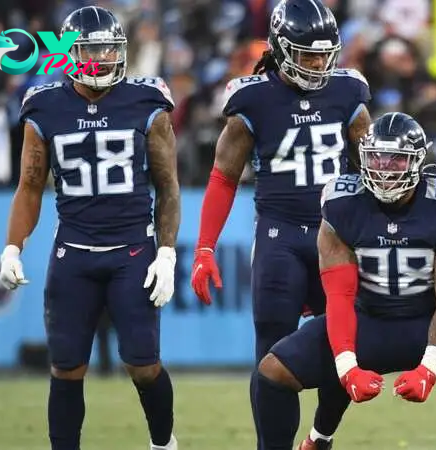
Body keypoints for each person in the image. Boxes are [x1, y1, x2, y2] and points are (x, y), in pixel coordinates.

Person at [255, 112, 436, 450]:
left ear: (418, 161)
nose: (384, 167)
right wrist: (348, 367)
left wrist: (430, 368)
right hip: (367, 323)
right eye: (377, 157)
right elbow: (338, 297)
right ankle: (313, 440)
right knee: (273, 372)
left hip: (431, 322)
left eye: (396, 159)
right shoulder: (342, 203)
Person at [189, 0, 372, 448]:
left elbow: (373, 167)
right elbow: (222, 176)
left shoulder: (348, 91)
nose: (318, 63)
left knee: (346, 347)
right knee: (273, 352)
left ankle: (321, 435)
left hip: (337, 236)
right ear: (282, 48)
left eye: (324, 53)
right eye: (308, 53)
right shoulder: (252, 97)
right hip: (280, 237)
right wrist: (205, 247)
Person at [0, 7, 180, 450]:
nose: (101, 56)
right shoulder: (45, 106)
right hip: (74, 253)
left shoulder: (147, 102)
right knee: (66, 367)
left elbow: (168, 187)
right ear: (70, 54)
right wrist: (12, 248)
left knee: (143, 365)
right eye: (91, 48)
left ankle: (163, 444)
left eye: (109, 48)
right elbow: (29, 186)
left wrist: (167, 251)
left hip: (132, 251)